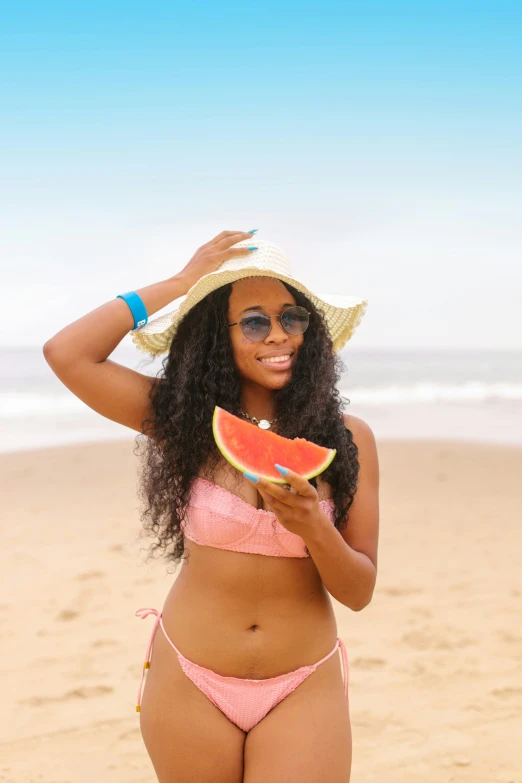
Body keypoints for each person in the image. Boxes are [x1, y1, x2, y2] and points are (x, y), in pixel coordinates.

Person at [43, 229, 379, 783]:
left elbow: (360, 592)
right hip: (189, 680)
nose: (279, 336)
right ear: (216, 336)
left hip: (302, 683)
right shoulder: (184, 422)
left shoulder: (347, 438)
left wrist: (312, 530)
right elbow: (67, 352)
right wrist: (180, 283)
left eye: (293, 318)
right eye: (254, 321)